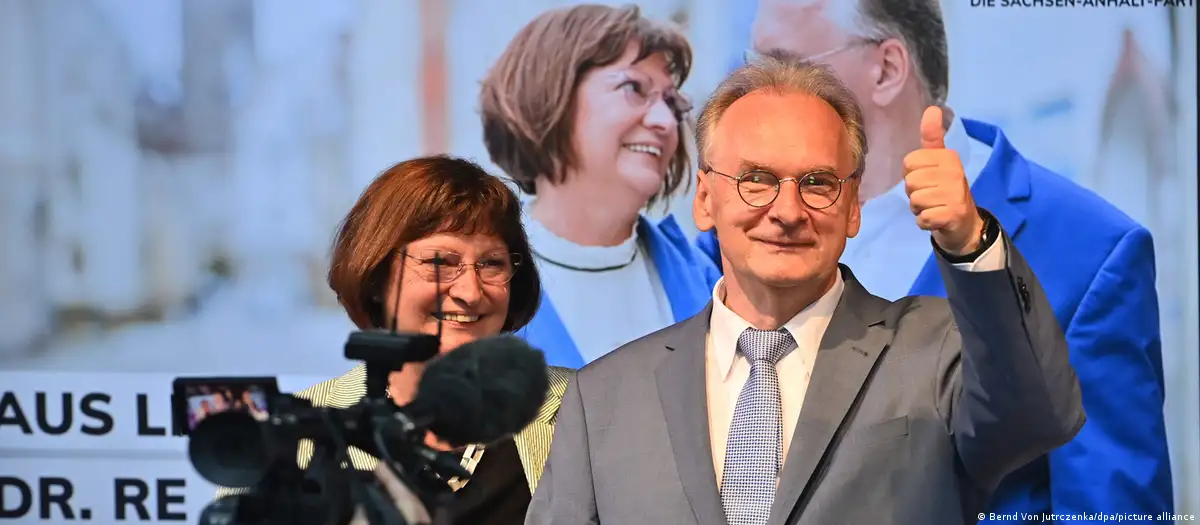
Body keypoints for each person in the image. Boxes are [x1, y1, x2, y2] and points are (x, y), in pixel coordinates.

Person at [527, 56, 1084, 525]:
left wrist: (970, 241)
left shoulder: (937, 350)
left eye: (818, 183)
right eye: (757, 180)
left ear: (853, 209)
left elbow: (1038, 419)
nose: (788, 211)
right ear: (704, 201)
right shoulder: (600, 400)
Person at [688, 1, 1173, 522]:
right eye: (754, 63)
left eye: (783, 62)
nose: (758, 91)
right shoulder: (734, 236)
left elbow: (1113, 511)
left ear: (888, 69)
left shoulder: (1090, 252)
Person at [216, 156, 572, 525]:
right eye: (440, 262)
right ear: (377, 278)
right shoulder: (294, 431)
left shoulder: (581, 408)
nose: (470, 291)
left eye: (492, 264)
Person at [480, 4, 720, 369]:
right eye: (633, 88)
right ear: (551, 98)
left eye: (672, 102)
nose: (664, 122)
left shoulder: (710, 283)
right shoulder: (470, 287)